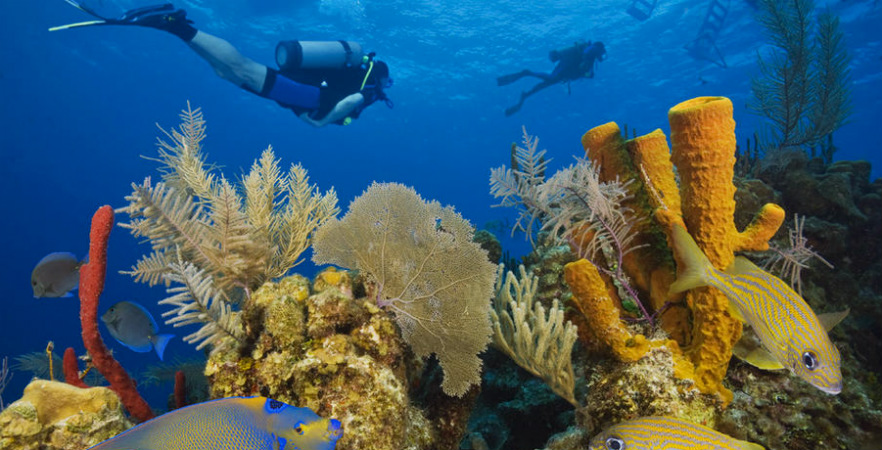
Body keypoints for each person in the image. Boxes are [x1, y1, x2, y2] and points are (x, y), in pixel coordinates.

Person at [51, 2, 393, 127]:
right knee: (241, 68)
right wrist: (322, 122)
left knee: (226, 72)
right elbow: (348, 103)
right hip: (307, 94)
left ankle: (174, 29)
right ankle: (176, 24)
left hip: (302, 92)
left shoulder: (358, 74)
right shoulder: (372, 89)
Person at [497, 40, 606, 116]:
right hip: (565, 68)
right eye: (602, 51)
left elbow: (587, 73)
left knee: (547, 83)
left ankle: (526, 94)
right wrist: (587, 63)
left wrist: (588, 71)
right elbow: (587, 54)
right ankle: (527, 73)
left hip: (566, 72)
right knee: (550, 79)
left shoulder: (592, 56)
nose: (602, 54)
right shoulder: (594, 49)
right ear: (600, 48)